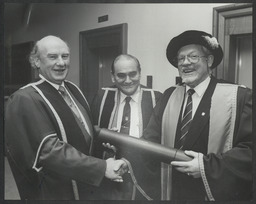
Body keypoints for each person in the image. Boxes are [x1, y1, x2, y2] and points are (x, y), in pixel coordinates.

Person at [5, 35, 128, 200]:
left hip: (84, 181)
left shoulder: (73, 89)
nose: (61, 63)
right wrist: (101, 167)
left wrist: (106, 142)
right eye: (53, 57)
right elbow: (48, 151)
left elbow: (84, 131)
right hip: (55, 190)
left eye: (65, 56)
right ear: (36, 62)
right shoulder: (25, 98)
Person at [143, 30, 252, 201]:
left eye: (193, 57)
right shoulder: (169, 96)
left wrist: (207, 166)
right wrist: (124, 152)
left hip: (211, 193)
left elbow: (250, 149)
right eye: (181, 59)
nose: (186, 63)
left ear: (209, 61)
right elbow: (150, 140)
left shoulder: (238, 97)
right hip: (174, 193)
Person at [90, 54, 162, 200]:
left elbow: (160, 141)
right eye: (121, 75)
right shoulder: (102, 97)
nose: (128, 80)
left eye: (133, 74)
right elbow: (91, 135)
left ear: (140, 73)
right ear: (112, 76)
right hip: (109, 180)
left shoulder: (157, 98)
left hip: (143, 176)